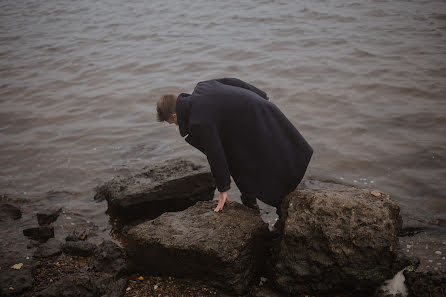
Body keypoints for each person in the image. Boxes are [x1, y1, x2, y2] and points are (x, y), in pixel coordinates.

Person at [156, 78, 313, 232]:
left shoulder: (198, 121)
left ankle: (281, 209)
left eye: (172, 123)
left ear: (175, 115)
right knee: (256, 157)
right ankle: (251, 200)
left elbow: (215, 153)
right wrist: (262, 96)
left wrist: (223, 188)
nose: (175, 125)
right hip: (262, 109)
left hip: (255, 123)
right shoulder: (203, 87)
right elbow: (235, 82)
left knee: (265, 163)